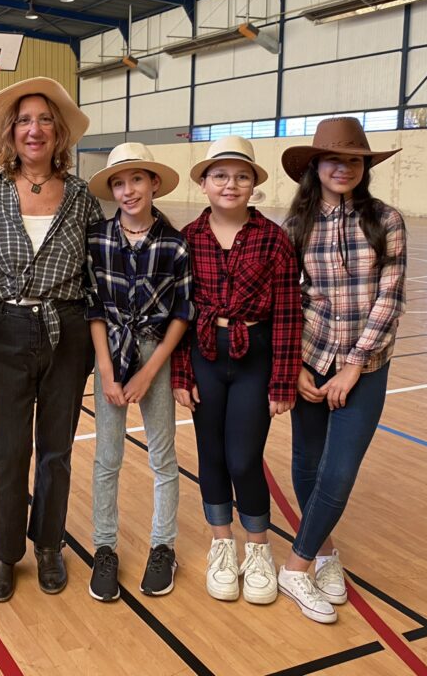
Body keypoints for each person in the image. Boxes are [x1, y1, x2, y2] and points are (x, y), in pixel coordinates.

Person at [0, 77, 103, 601]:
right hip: (7, 328)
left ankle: (49, 544)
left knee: (56, 449)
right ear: (11, 132)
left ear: (58, 133)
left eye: (45, 119)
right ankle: (3, 552)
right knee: (6, 449)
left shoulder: (82, 197)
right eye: (24, 120)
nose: (34, 129)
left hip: (68, 329)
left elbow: (98, 273)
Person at [277, 117, 407, 624]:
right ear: (315, 167)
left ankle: (295, 567)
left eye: (354, 160)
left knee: (339, 470)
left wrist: (354, 366)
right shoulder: (296, 226)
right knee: (306, 463)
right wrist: (293, 365)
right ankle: (325, 552)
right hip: (311, 357)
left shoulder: (386, 221)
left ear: (364, 167)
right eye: (334, 159)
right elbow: (288, 300)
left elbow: (389, 298)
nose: (344, 168)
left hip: (365, 366)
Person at [171, 137, 302, 607]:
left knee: (244, 458)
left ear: (253, 185)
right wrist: (181, 374)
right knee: (211, 454)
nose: (231, 184)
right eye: (221, 176)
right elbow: (179, 311)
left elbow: (288, 312)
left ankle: (258, 549)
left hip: (255, 356)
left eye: (241, 176)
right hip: (205, 354)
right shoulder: (187, 239)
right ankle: (222, 545)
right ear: (204, 183)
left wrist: (283, 379)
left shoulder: (274, 239)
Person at [84, 142, 192, 601]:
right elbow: (93, 307)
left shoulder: (175, 243)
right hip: (110, 353)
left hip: (154, 355)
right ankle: (104, 547)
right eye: (119, 183)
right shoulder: (97, 239)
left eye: (136, 180)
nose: (128, 190)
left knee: (162, 457)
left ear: (153, 184)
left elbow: (182, 312)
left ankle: (163, 546)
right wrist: (107, 371)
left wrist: (150, 372)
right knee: (107, 457)